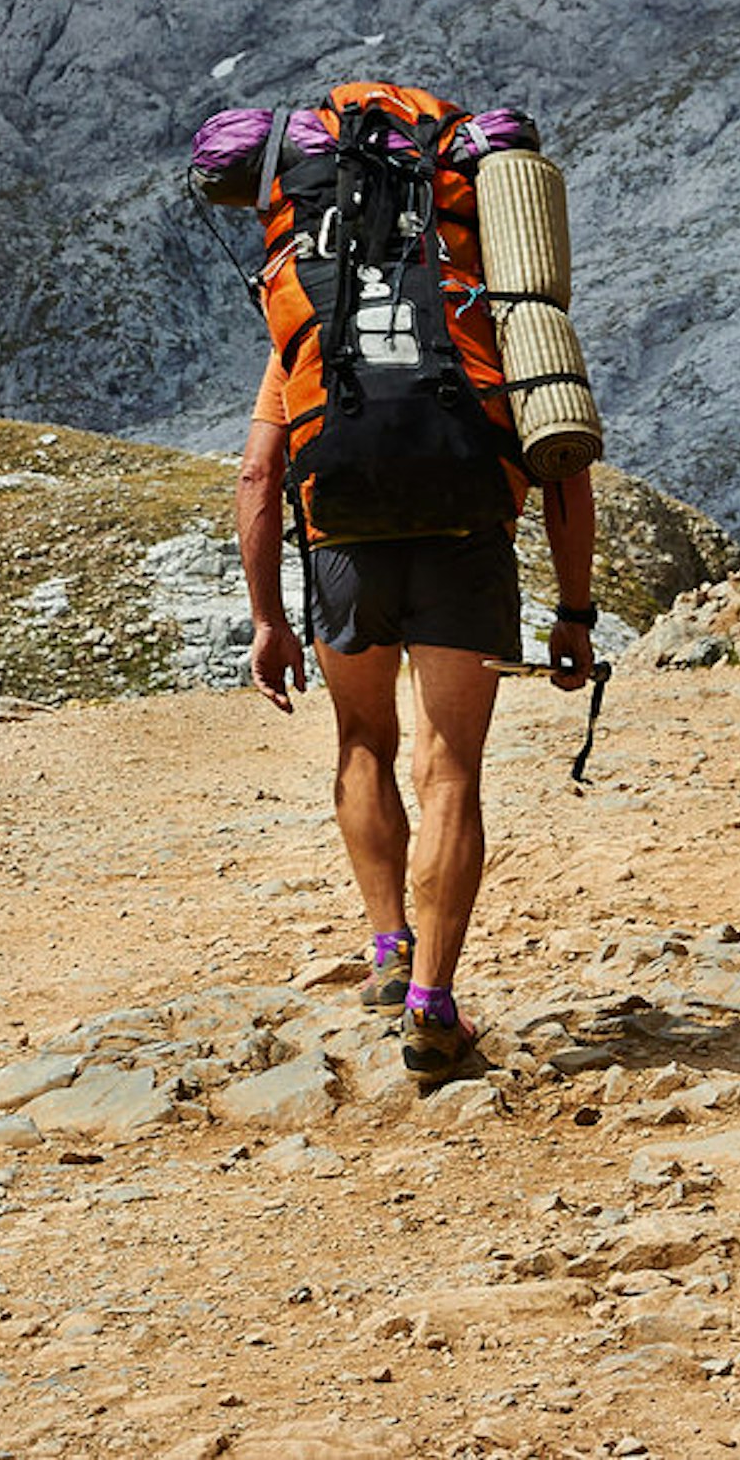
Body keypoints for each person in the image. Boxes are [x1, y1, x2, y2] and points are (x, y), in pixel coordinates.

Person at [239, 367, 596, 1085]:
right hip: (466, 545)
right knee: (451, 769)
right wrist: (575, 610)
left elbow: (257, 472)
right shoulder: (483, 304)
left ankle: (388, 951)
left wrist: (268, 619)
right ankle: (433, 1006)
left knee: (363, 737)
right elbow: (562, 465)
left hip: (343, 544)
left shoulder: (315, 301)